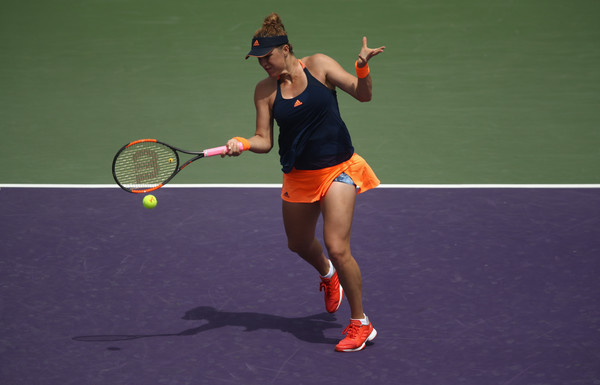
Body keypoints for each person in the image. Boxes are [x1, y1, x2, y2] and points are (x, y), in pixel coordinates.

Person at [223, 12, 385, 352]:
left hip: (338, 167)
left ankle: (361, 323)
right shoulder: (265, 91)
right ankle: (327, 275)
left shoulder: (320, 66)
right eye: (257, 60)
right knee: (298, 244)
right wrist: (244, 143)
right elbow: (264, 140)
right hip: (298, 175)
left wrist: (362, 67)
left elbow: (363, 94)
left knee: (338, 247)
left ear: (284, 49)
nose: (262, 64)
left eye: (266, 57)